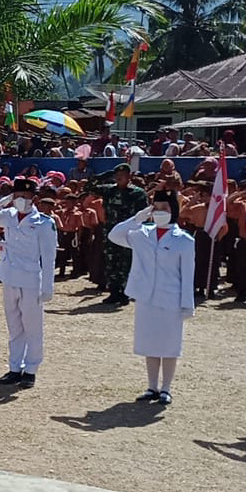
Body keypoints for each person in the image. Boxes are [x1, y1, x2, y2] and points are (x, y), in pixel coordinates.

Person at [108, 190, 194, 406]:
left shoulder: (183, 240)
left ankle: (166, 388)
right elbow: (115, 235)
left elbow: (187, 275)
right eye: (156, 208)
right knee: (150, 343)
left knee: (169, 345)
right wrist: (138, 218)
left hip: (171, 298)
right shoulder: (141, 233)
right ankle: (152, 386)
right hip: (146, 296)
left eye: (165, 208)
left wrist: (187, 305)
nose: (160, 212)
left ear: (173, 210)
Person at [0, 179, 58, 388]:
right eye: (17, 196)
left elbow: (49, 256)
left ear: (33, 198)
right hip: (9, 277)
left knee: (32, 328)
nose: (20, 201)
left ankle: (31, 369)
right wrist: (4, 201)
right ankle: (15, 368)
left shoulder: (43, 222)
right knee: (15, 326)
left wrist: (48, 287)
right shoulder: (8, 216)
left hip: (31, 280)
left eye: (25, 197)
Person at [86, 163, 148, 305]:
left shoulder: (137, 193)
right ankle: (114, 292)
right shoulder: (109, 190)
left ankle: (126, 293)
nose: (119, 178)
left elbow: (142, 215)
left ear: (129, 177)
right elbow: (88, 187)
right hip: (111, 232)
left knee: (126, 263)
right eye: (117, 176)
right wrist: (104, 176)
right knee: (111, 262)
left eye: (123, 176)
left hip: (129, 233)